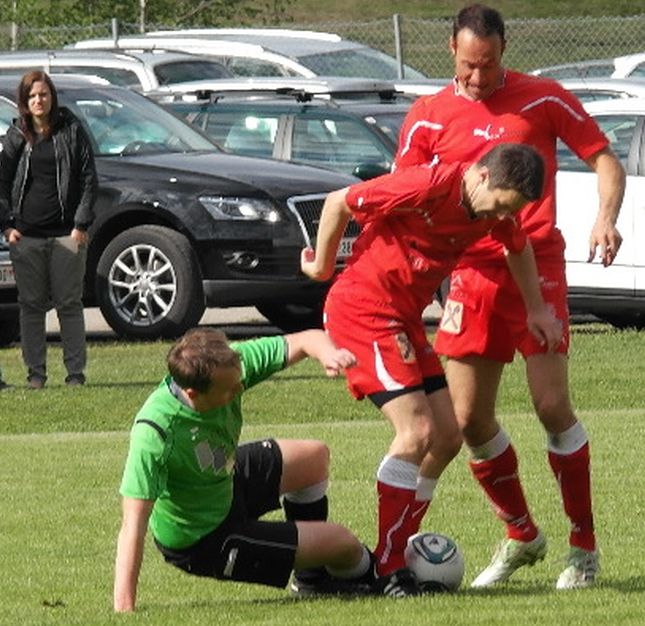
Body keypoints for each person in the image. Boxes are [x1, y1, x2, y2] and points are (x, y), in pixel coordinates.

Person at [394, 4, 626, 590]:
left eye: (490, 65)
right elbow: (407, 196)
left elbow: (604, 157)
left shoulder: (543, 98)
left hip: (536, 265)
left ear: (504, 51)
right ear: (451, 49)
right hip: (470, 276)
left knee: (551, 405)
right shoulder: (426, 118)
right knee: (469, 420)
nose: (479, 77)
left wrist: (605, 218)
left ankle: (584, 547)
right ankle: (522, 533)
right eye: (470, 65)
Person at [301, 142, 562, 578]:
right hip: (361, 312)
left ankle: (394, 551)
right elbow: (338, 203)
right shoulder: (427, 185)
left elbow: (517, 246)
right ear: (480, 176)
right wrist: (322, 268)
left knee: (446, 437)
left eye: (508, 210)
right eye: (498, 206)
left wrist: (536, 309)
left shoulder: (490, 207)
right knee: (417, 431)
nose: (500, 218)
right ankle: (388, 568)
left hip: (401, 320)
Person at [114, 327, 420, 613]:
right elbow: (133, 525)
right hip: (203, 539)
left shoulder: (227, 364)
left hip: (225, 482)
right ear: (193, 393)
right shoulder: (155, 434)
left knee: (313, 456)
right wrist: (124, 611)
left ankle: (310, 581)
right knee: (344, 544)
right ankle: (380, 573)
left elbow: (306, 339)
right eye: (230, 390)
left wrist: (328, 353)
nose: (239, 387)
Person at [0, 71, 98, 390]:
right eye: (32, 96)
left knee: (69, 304)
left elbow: (88, 179)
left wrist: (81, 224)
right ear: (24, 102)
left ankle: (75, 374)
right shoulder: (16, 135)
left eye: (43, 94)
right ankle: (36, 375)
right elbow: (1, 183)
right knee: (31, 306)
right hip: (26, 236)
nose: (38, 100)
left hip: (67, 235)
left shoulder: (71, 130)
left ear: (52, 96)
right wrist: (7, 225)